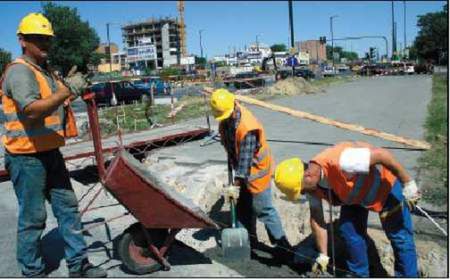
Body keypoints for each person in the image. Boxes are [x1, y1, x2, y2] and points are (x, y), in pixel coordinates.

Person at [0, 13, 107, 277]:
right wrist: (66, 90)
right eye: (38, 39)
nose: (44, 44)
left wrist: (66, 89)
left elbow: (55, 102)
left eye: (47, 39)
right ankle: (32, 271)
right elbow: (32, 111)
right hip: (26, 157)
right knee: (34, 218)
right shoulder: (19, 71)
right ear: (23, 41)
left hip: (49, 152)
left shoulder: (43, 72)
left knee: (68, 207)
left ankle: (78, 264)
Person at [273, 141, 420, 277]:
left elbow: (382, 155)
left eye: (302, 190)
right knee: (349, 231)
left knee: (400, 238)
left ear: (308, 175)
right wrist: (323, 254)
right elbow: (317, 218)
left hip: (387, 187)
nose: (303, 193)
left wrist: (408, 183)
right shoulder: (313, 185)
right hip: (355, 198)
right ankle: (358, 275)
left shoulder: (343, 161)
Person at [209, 88, 292, 262]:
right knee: (243, 209)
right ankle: (246, 242)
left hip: (256, 173)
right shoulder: (227, 117)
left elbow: (245, 162)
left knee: (264, 210)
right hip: (243, 170)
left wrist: (234, 186)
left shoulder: (248, 127)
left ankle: (283, 247)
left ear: (232, 107)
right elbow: (231, 146)